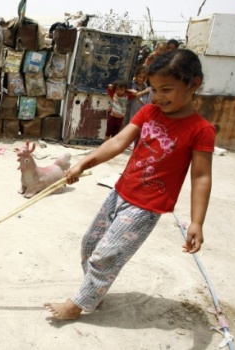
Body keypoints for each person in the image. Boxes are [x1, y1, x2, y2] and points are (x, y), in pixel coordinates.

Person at [44, 49, 216, 320]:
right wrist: (82, 163)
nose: (158, 97)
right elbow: (116, 142)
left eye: (166, 89)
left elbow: (201, 177)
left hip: (146, 207)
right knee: (90, 244)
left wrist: (197, 221)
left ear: (194, 84)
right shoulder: (149, 111)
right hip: (120, 193)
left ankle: (77, 305)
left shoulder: (201, 129)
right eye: (154, 89)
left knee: (106, 255)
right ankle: (94, 293)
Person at [125, 66, 153, 150]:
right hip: (133, 105)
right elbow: (134, 95)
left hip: (142, 106)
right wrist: (144, 92)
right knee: (132, 122)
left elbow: (143, 97)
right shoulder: (133, 84)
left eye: (143, 78)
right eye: (139, 77)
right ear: (136, 76)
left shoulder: (145, 85)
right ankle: (129, 142)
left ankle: (136, 142)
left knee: (140, 124)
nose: (141, 79)